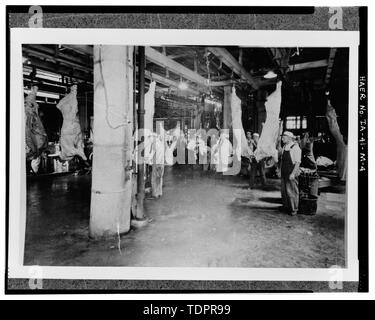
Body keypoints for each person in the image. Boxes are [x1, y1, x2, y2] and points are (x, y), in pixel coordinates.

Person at [279, 131, 302, 216]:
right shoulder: (285, 146)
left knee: (292, 191)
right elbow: (282, 160)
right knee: (284, 191)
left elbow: (297, 163)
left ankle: (294, 209)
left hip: (292, 172)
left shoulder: (295, 148)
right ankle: (286, 207)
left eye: (283, 137)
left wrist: (293, 173)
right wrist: (279, 170)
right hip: (284, 172)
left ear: (289, 137)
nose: (282, 138)